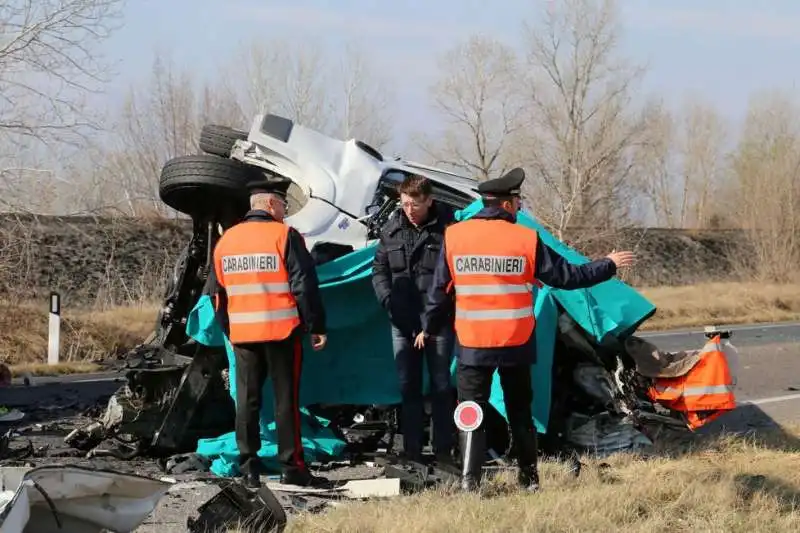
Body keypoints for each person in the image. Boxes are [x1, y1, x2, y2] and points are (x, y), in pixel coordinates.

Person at [414, 167, 636, 492]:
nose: (519, 208)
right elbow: (568, 278)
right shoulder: (524, 239)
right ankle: (529, 479)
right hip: (514, 342)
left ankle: (469, 483)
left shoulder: (455, 237)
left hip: (474, 344)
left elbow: (439, 292)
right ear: (506, 204)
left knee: (470, 412)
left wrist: (428, 328)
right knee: (520, 411)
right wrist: (609, 263)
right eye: (518, 202)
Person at [209, 177, 329, 489]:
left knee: (247, 402)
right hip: (282, 333)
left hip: (243, 336)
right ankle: (293, 468)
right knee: (285, 402)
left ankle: (249, 468)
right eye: (283, 205)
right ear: (270, 204)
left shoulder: (227, 241)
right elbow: (304, 284)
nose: (285, 210)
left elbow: (216, 295)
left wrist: (230, 330)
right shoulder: (284, 235)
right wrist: (315, 325)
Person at [371, 174, 457, 462]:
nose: (409, 209)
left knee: (442, 385)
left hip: (438, 320)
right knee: (408, 387)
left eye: (415, 204)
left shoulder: (449, 229)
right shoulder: (391, 229)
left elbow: (452, 279)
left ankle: (444, 451)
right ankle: (412, 451)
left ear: (429, 201)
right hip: (402, 320)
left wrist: (432, 321)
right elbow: (379, 271)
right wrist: (388, 300)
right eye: (405, 203)